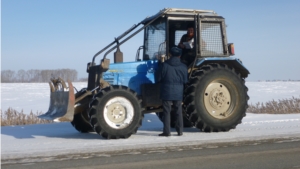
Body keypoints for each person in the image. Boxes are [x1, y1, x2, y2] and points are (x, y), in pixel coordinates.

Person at [156, 47, 188, 136]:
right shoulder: (183, 66)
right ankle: (180, 131)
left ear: (170, 54)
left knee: (166, 111)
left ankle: (167, 131)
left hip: (166, 91)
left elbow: (158, 78)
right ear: (180, 55)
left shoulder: (164, 65)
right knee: (178, 110)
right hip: (178, 91)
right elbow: (185, 80)